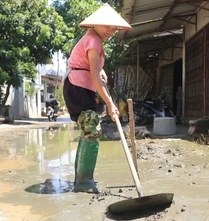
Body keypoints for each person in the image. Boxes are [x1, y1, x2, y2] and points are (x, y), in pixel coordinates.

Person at [63, 3, 132, 193]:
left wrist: (100, 70)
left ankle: (81, 181)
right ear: (96, 24)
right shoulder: (93, 40)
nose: (111, 31)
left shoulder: (93, 40)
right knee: (92, 128)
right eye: (107, 26)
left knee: (89, 130)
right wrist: (110, 104)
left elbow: (93, 70)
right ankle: (84, 182)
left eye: (113, 27)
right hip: (78, 87)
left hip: (81, 86)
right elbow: (93, 74)